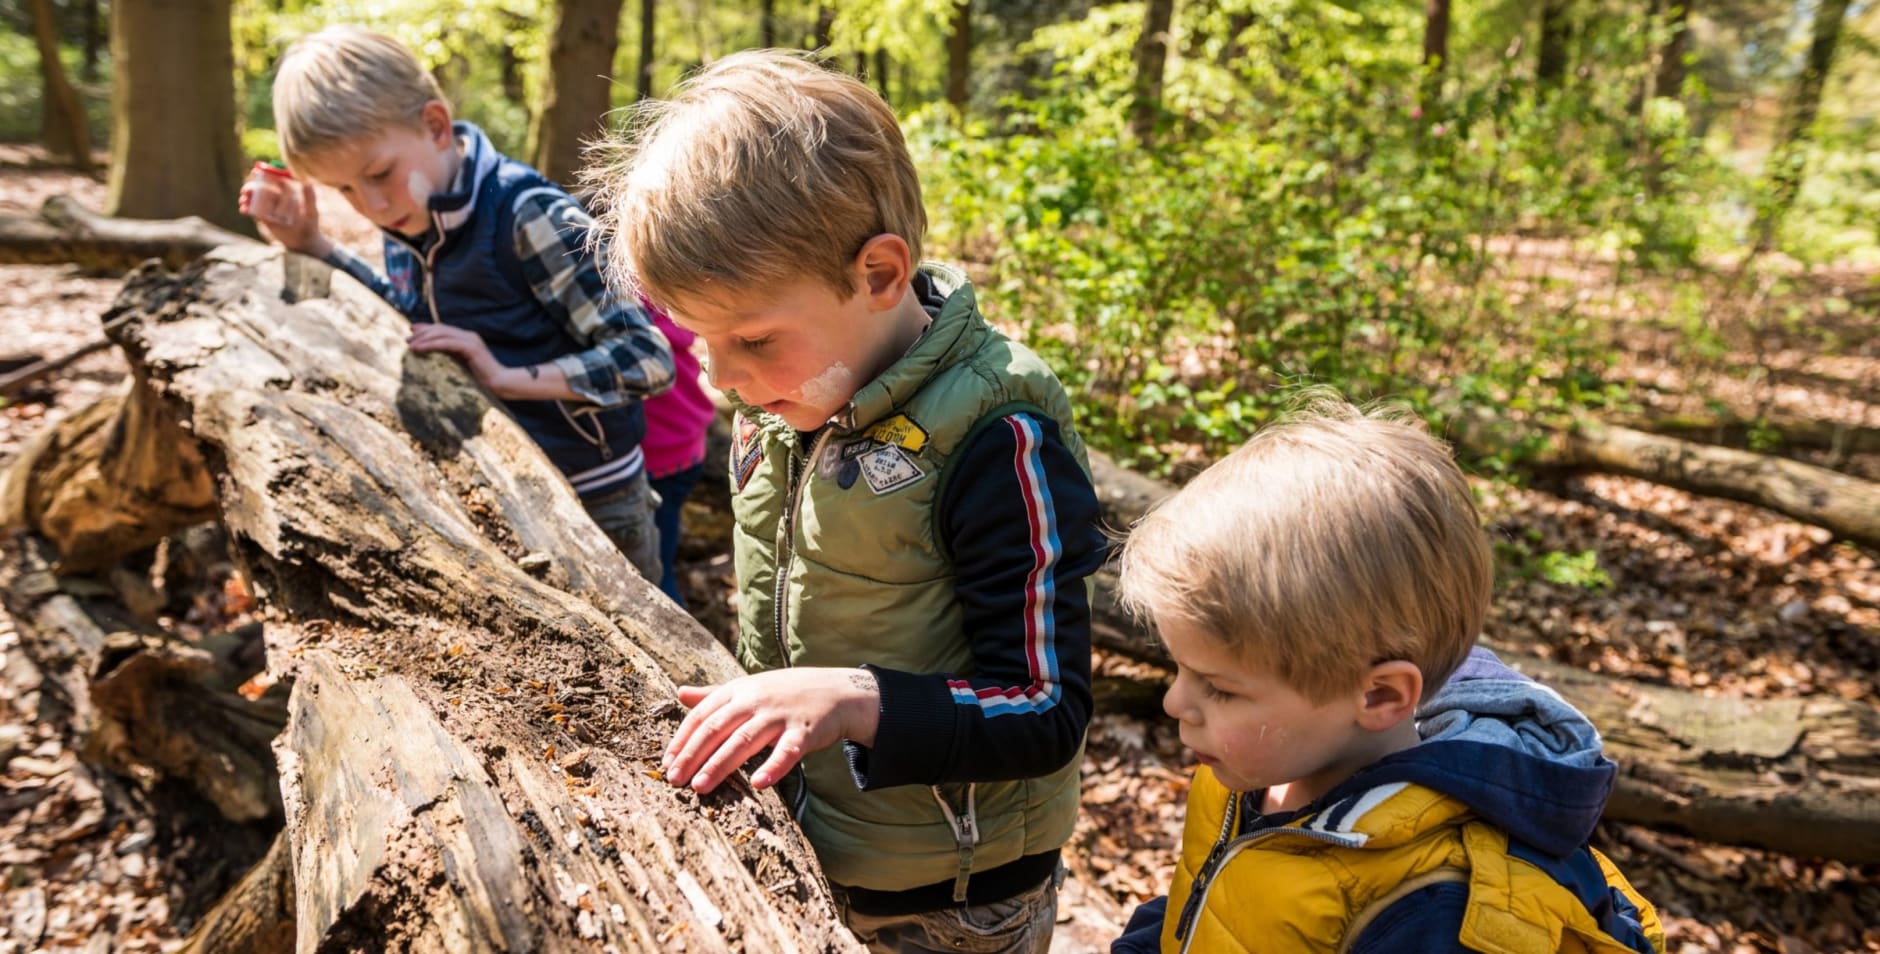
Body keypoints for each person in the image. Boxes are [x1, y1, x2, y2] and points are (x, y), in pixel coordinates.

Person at [587, 50, 1107, 953]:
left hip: (954, 900)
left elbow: (1046, 708)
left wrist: (856, 699)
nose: (719, 380)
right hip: (811, 848)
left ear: (877, 274)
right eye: (700, 339)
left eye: (750, 338)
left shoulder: (996, 434)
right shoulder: (786, 400)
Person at [1107, 397, 1665, 954]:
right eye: (1180, 667)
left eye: (1220, 688)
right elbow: (1207, 907)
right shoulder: (1256, 767)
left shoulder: (1432, 910)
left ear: (1378, 694)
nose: (1175, 702)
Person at [240, 26, 674, 582]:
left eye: (378, 175)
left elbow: (646, 357)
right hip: (496, 493)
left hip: (596, 501)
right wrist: (314, 247)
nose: (370, 205)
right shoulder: (413, 219)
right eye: (345, 191)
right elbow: (408, 321)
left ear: (436, 126)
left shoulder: (527, 215)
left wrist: (509, 376)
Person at [640, 305, 715, 606]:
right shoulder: (657, 295)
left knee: (656, 569)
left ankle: (673, 614)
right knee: (664, 532)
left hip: (657, 458)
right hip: (686, 441)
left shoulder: (619, 304)